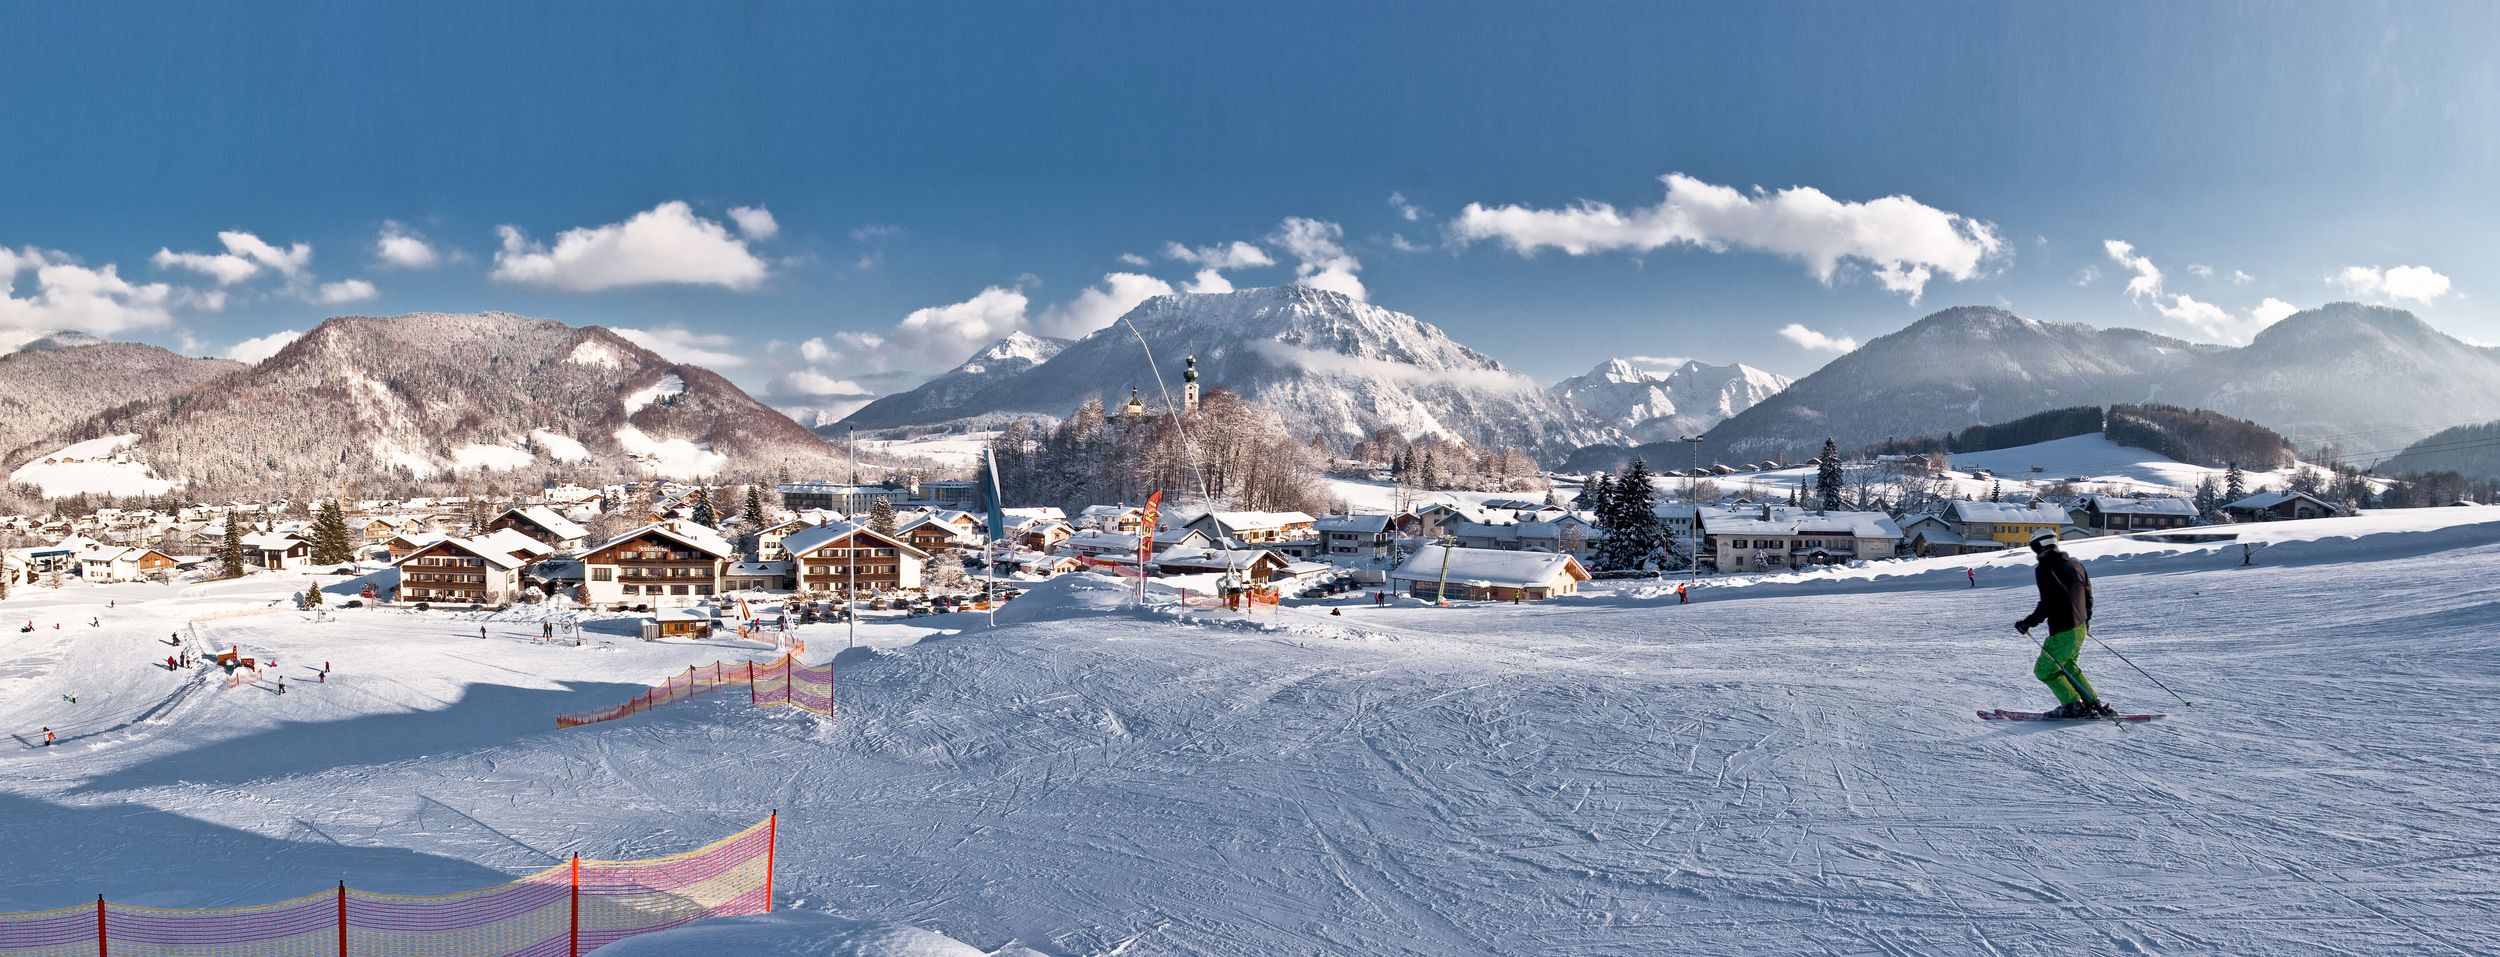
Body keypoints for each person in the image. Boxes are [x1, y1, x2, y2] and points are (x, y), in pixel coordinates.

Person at [2015, 533, 2111, 719]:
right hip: (2080, 627)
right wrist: (2086, 622)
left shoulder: (2044, 568)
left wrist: (2028, 623)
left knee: (2044, 670)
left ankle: (2072, 704)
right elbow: (2088, 596)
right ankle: (2092, 702)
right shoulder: (2076, 565)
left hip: (2064, 629)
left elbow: (2048, 603)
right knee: (2068, 666)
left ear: (2039, 546)